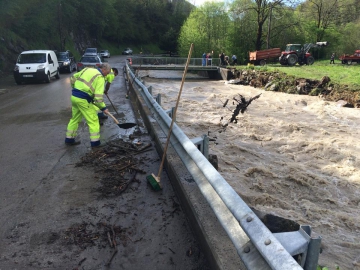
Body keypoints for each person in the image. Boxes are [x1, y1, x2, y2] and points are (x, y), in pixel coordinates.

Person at [65, 63, 111, 147]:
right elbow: (98, 97)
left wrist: (75, 88)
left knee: (74, 119)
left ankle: (69, 139)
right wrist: (103, 108)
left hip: (74, 97)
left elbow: (73, 78)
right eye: (107, 73)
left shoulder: (87, 69)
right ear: (103, 69)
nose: (107, 75)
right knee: (93, 120)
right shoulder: (100, 78)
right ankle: (95, 143)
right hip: (83, 100)